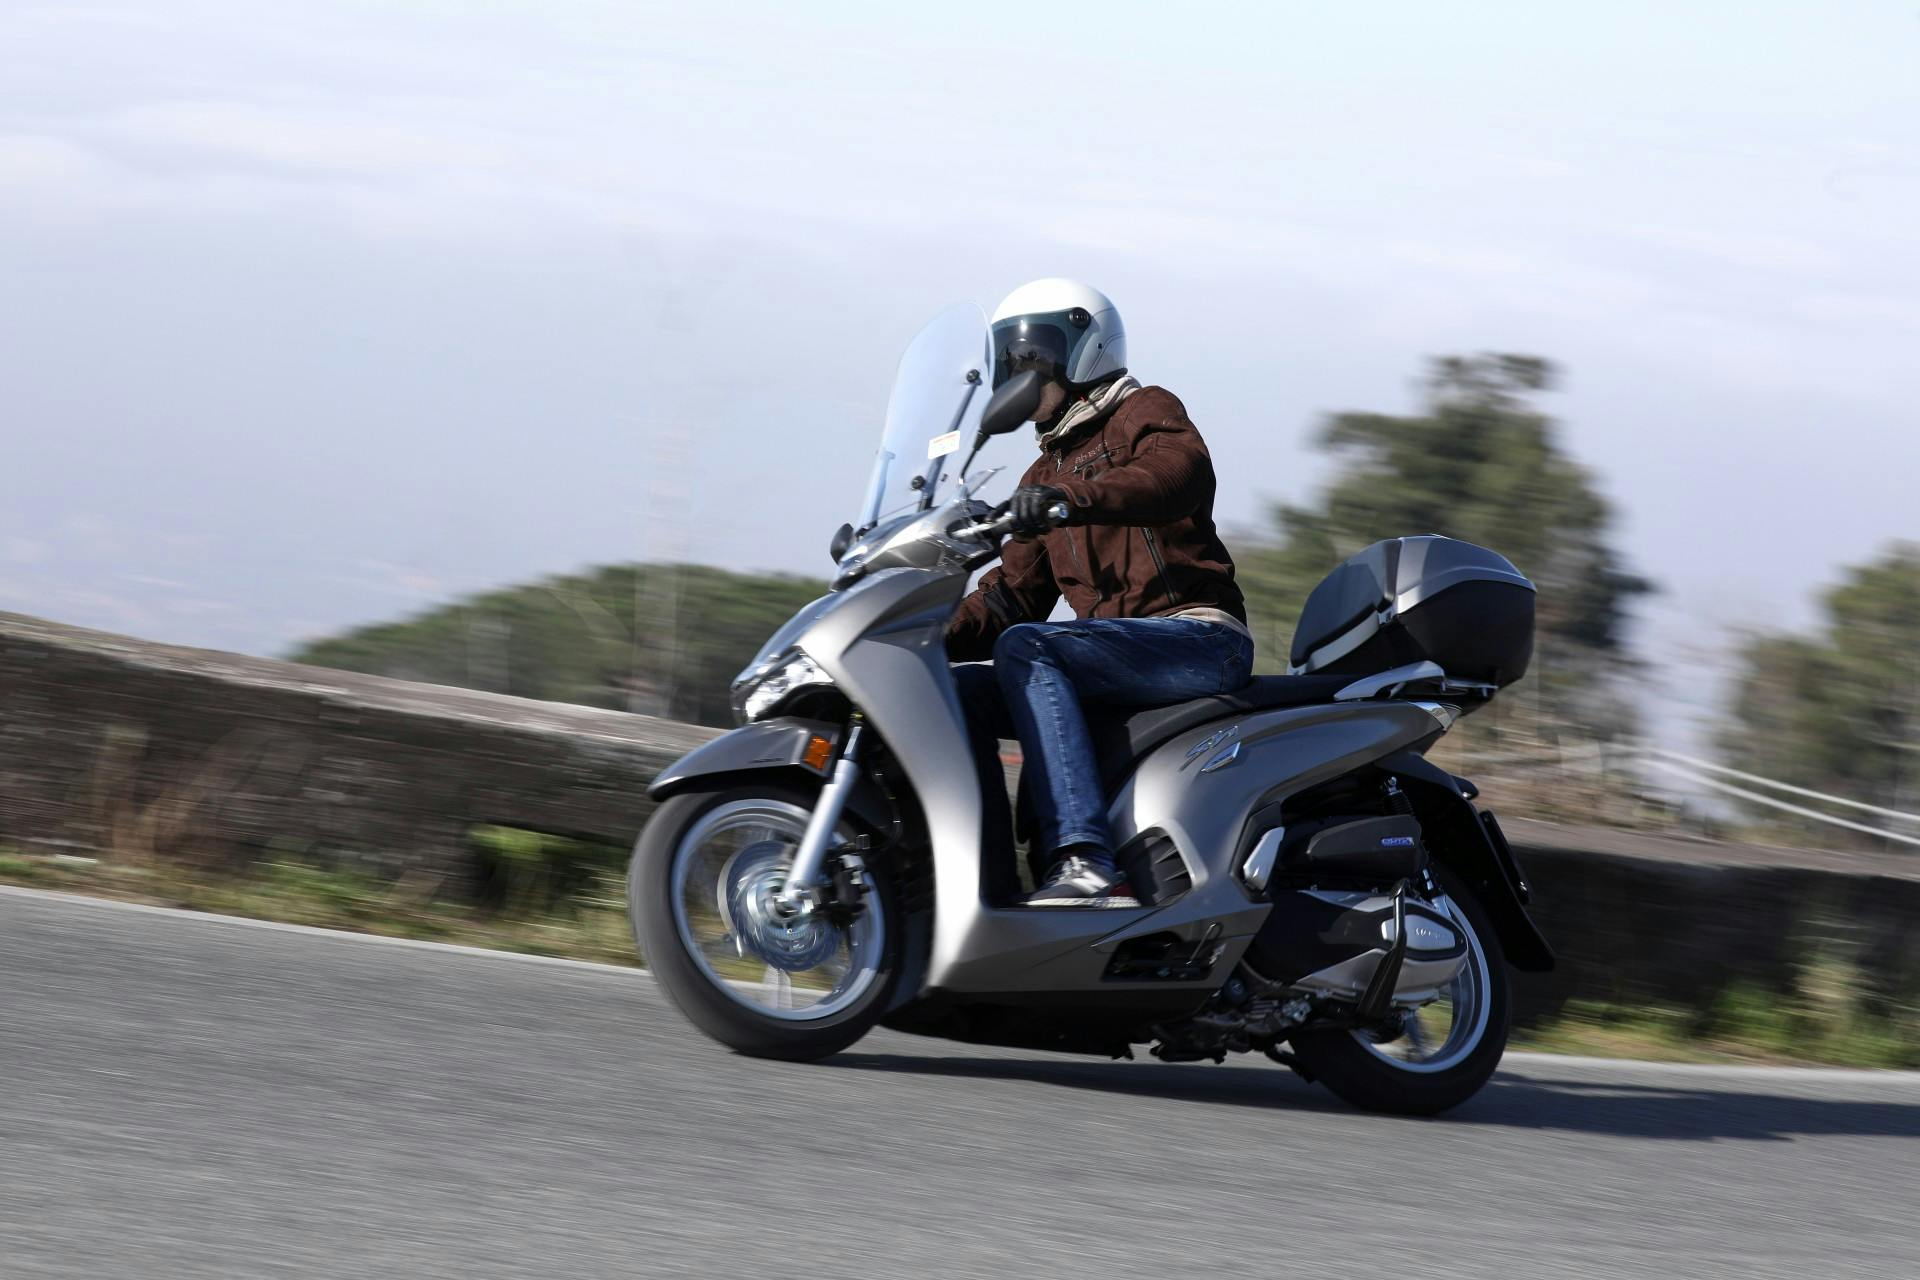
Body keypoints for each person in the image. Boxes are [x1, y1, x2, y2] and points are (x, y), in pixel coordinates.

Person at [949, 279, 1254, 907]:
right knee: (957, 693)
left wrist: (1069, 500)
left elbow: (1173, 476)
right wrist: (916, 633)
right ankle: (989, 889)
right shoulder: (1042, 474)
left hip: (1197, 637)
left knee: (1031, 648)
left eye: (1033, 354)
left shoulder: (1143, 412)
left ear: (1084, 348)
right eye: (1010, 359)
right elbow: (1009, 600)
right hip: (1115, 653)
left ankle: (1083, 861)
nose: (1020, 371)